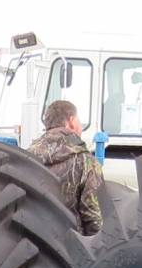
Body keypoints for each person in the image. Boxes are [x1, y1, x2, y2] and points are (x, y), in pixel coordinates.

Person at [29, 99, 104, 235]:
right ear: (71, 121)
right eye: (79, 122)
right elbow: (94, 221)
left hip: (32, 246)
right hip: (70, 250)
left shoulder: (26, 156)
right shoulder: (86, 161)